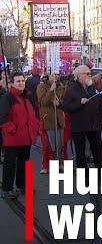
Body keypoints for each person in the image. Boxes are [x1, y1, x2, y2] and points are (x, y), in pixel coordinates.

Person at [0, 71, 39, 199]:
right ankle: (7, 189)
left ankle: (22, 186)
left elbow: (32, 115)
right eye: (18, 81)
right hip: (13, 138)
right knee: (10, 164)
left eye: (22, 80)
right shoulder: (8, 97)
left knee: (24, 163)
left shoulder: (27, 96)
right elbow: (2, 117)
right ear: (12, 83)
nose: (21, 83)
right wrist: (12, 129)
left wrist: (34, 127)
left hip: (26, 137)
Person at [61, 65, 102, 175]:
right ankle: (83, 176)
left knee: (98, 151)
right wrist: (79, 103)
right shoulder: (71, 89)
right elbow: (65, 106)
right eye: (87, 74)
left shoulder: (92, 87)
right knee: (80, 153)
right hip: (79, 126)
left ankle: (99, 173)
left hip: (94, 125)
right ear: (79, 75)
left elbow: (99, 101)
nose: (90, 76)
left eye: (90, 73)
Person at [37, 73, 66, 173]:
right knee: (49, 144)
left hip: (59, 118)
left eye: (56, 75)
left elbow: (63, 100)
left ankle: (59, 163)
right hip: (48, 119)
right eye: (52, 75)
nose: (55, 77)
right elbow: (43, 101)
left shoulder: (61, 86)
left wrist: (59, 102)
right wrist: (50, 90)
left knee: (60, 144)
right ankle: (48, 165)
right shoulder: (41, 86)